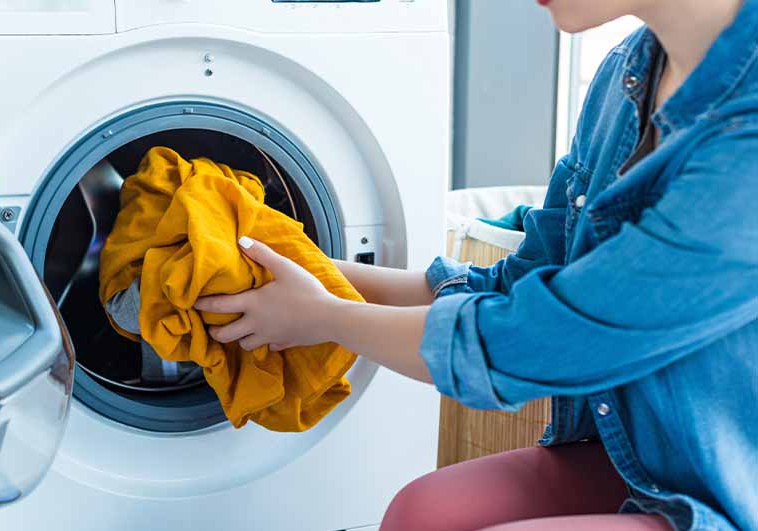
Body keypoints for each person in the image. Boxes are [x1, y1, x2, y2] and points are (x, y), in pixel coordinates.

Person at [194, 0, 758, 529]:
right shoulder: (627, 74)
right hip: (654, 454)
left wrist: (322, 317)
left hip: (733, 490)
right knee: (424, 511)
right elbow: (524, 283)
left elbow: (537, 342)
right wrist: (304, 274)